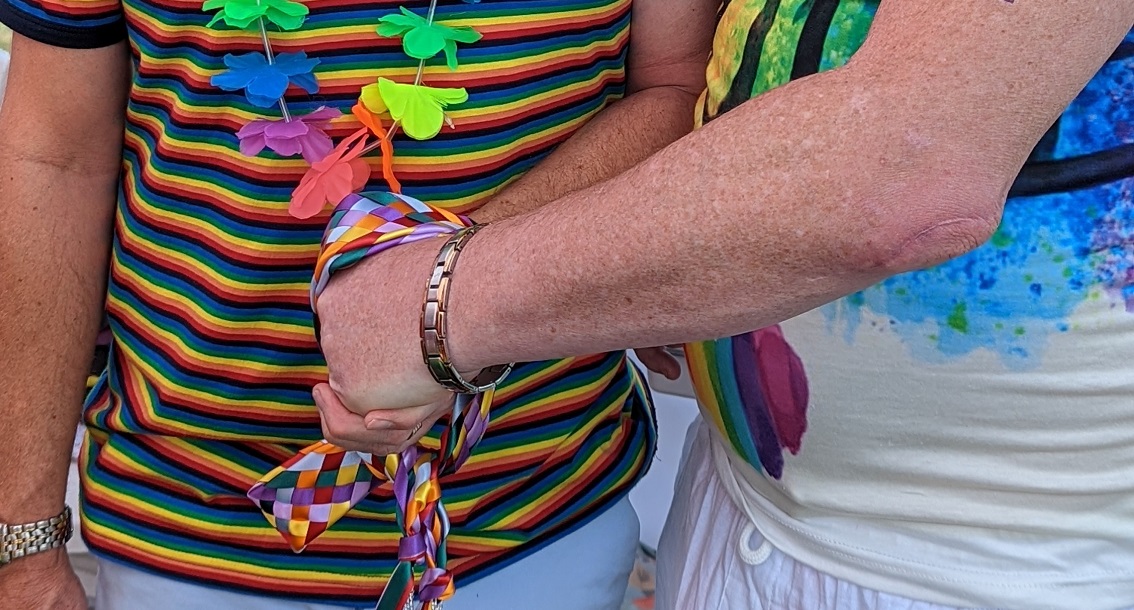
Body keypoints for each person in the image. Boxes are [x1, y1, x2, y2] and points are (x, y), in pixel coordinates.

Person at [307, 1, 1134, 609]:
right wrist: (672, 278)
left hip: (1004, 568)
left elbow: (899, 173)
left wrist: (443, 304)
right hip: (742, 507)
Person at [0, 0, 718, 608]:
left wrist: (449, 296)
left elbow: (678, 89)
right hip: (190, 526)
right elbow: (54, 156)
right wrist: (22, 542)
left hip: (535, 511)